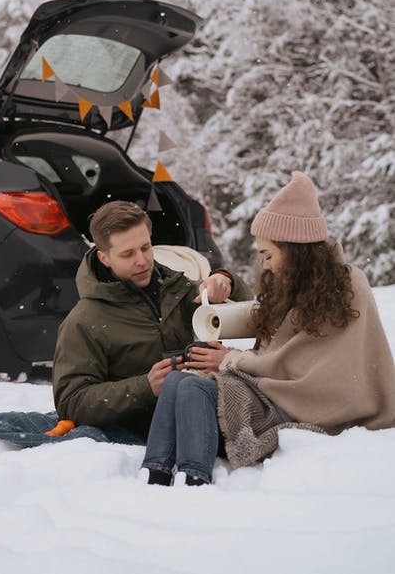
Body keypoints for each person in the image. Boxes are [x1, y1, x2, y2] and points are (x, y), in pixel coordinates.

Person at [140, 172, 395, 486]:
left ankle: (195, 482)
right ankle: (154, 473)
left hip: (314, 405)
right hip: (280, 392)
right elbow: (274, 348)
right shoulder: (291, 286)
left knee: (196, 388)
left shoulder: (346, 284)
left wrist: (231, 360)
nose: (266, 265)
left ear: (294, 249)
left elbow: (302, 365)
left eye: (269, 255)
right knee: (179, 380)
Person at [52, 200, 253, 440]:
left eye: (146, 247)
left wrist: (225, 280)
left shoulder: (175, 289)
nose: (142, 261)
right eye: (128, 254)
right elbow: (70, 402)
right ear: (104, 257)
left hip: (195, 415)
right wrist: (145, 388)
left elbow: (247, 310)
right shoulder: (83, 321)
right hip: (137, 437)